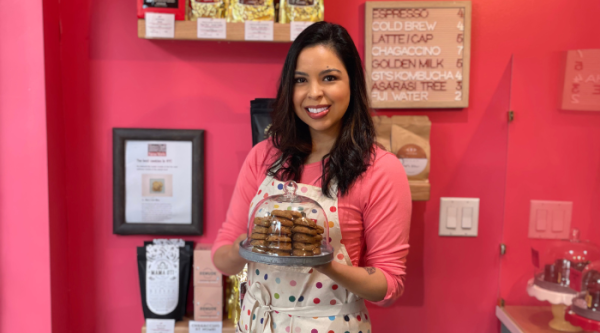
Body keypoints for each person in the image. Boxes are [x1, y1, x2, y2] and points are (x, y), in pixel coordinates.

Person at [212, 21, 411, 333]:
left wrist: (325, 264)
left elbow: (388, 285)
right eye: (300, 80)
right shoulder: (264, 156)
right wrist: (247, 246)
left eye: (329, 78)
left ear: (352, 84)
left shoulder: (381, 170)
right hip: (257, 324)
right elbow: (222, 258)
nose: (314, 93)